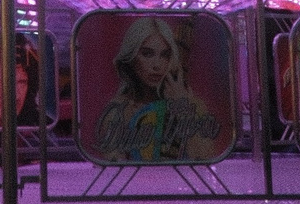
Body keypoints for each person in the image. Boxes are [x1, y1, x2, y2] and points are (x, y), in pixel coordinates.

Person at [91, 16, 225, 162]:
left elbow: (204, 160)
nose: (157, 65)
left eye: (165, 55)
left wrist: (182, 108)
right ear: (131, 57)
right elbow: (114, 165)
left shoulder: (192, 105)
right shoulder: (118, 110)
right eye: (147, 54)